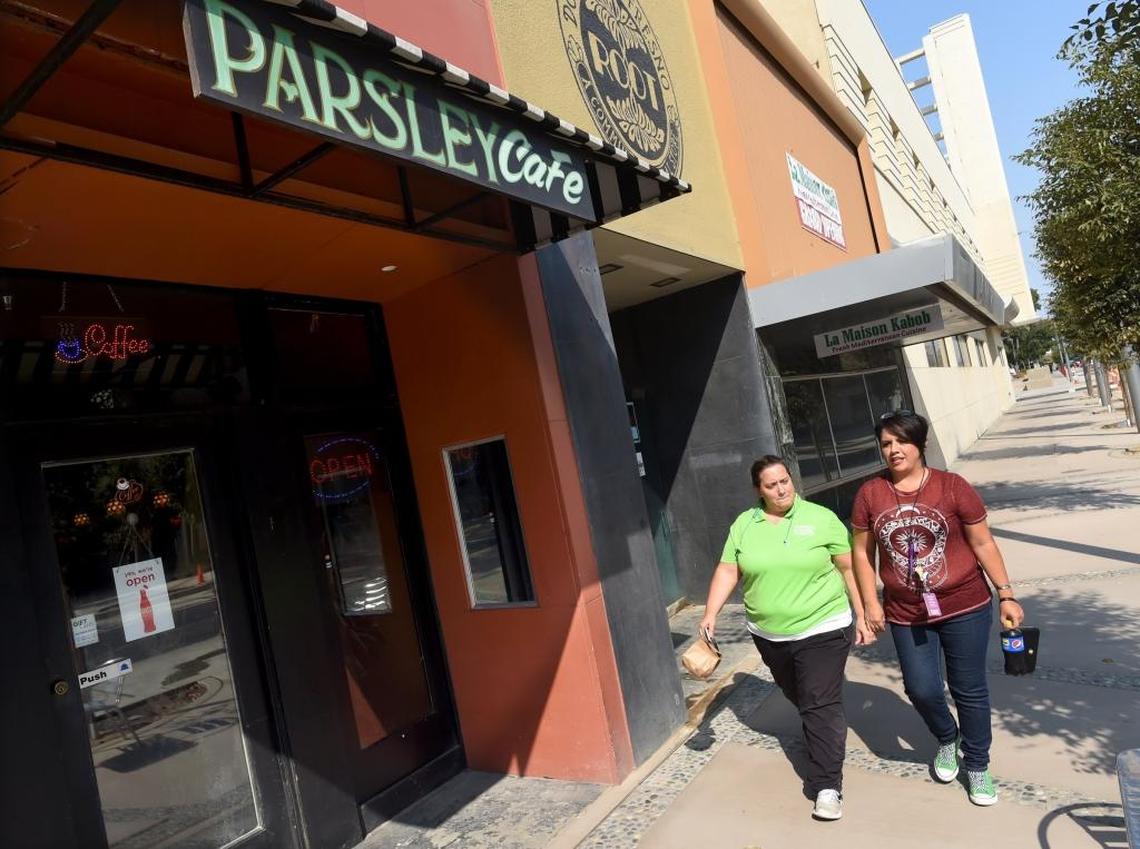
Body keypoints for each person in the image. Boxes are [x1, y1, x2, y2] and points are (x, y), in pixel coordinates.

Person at [851, 411, 1024, 807]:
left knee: (969, 689)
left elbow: (982, 543)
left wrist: (1006, 593)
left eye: (901, 441)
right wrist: (869, 602)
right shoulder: (870, 494)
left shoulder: (951, 487)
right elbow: (862, 553)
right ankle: (949, 738)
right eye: (886, 443)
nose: (893, 450)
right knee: (921, 688)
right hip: (906, 612)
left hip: (965, 604)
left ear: (920, 444)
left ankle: (978, 765)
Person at [699, 455, 874, 822]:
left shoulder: (820, 518)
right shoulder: (745, 525)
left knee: (816, 703)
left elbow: (848, 568)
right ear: (757, 490)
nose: (781, 489)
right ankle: (825, 720)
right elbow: (728, 569)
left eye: (785, 481)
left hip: (824, 625)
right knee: (801, 695)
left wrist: (862, 614)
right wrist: (710, 613)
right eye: (771, 485)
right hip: (769, 634)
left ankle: (827, 786)